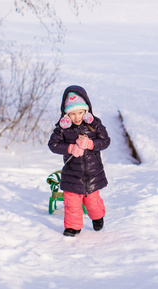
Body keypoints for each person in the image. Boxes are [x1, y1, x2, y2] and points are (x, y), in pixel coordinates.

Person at [48, 85, 111, 237]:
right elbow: (53, 145)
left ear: (86, 111)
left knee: (92, 203)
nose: (77, 117)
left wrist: (91, 144)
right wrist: (70, 148)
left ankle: (97, 217)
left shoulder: (94, 124)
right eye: (73, 114)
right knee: (72, 204)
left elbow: (105, 141)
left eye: (80, 113)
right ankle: (72, 227)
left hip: (92, 172)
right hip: (72, 174)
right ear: (66, 114)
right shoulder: (62, 129)